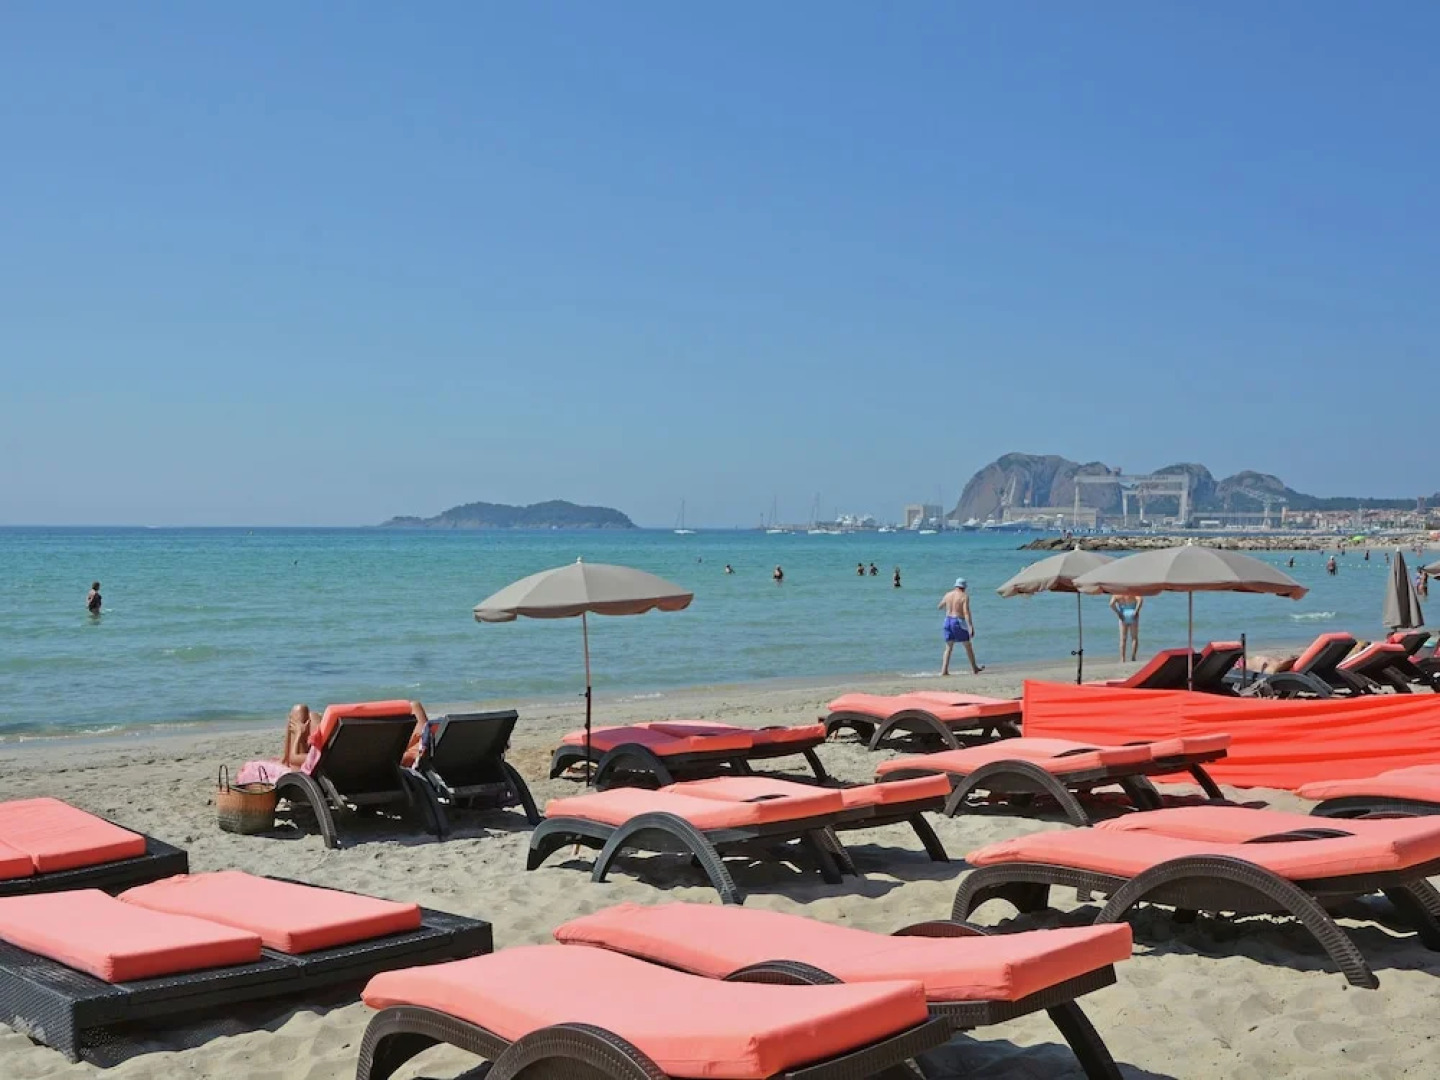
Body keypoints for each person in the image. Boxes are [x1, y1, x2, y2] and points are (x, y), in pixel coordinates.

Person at [938, 578, 982, 674]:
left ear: (955, 586)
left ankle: (944, 670)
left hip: (947, 621)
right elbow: (966, 612)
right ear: (964, 587)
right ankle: (974, 668)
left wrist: (949, 605)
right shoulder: (964, 596)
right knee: (967, 645)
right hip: (958, 621)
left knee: (948, 647)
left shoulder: (948, 594)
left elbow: (940, 606)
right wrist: (970, 626)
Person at [1109, 593, 1144, 661]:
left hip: (1123, 614)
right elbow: (1140, 600)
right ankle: (1133, 657)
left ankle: (1122, 658)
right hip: (1133, 613)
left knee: (1123, 639)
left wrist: (1118, 612)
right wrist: (1137, 611)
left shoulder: (1117, 594)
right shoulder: (1132, 591)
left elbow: (1111, 604)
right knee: (1134, 637)